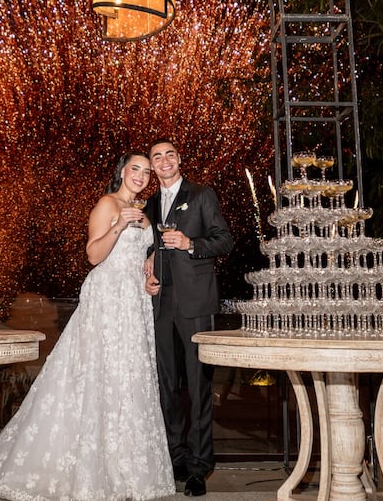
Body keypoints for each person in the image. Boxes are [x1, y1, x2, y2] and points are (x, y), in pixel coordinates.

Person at [0, 151, 174, 501]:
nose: (141, 175)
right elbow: (94, 255)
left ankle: (123, 469)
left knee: (128, 377)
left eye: (146, 171)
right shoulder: (107, 204)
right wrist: (119, 225)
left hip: (134, 302)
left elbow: (142, 255)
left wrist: (149, 271)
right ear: (122, 171)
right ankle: (88, 469)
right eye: (135, 169)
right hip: (106, 298)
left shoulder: (144, 213)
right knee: (97, 375)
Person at [144, 138, 234, 497]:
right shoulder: (150, 204)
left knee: (198, 387)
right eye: (157, 156)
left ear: (179, 159)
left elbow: (224, 240)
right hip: (160, 304)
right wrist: (147, 266)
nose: (164, 160)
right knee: (166, 386)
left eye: (169, 154)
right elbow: (148, 248)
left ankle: (199, 466)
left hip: (196, 303)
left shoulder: (201, 195)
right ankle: (175, 457)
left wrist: (190, 244)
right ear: (152, 166)